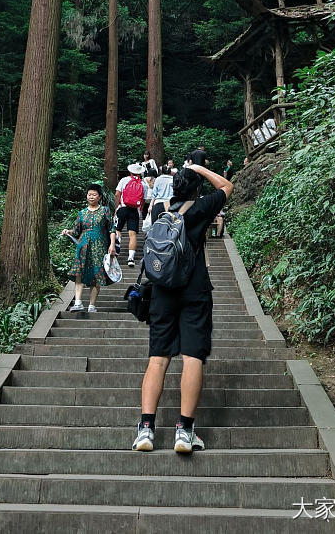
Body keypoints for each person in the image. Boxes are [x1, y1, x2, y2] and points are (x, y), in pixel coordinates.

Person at [132, 162, 234, 454]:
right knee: (192, 358)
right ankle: (184, 432)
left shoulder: (158, 209)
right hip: (195, 289)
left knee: (158, 359)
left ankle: (146, 430)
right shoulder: (201, 208)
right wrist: (200, 170)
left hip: (162, 289)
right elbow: (227, 187)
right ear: (197, 188)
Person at [61, 185, 112, 313]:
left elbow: (112, 228)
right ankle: (78, 302)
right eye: (89, 194)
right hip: (83, 246)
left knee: (96, 274)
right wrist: (68, 231)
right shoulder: (82, 213)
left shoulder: (105, 211)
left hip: (99, 246)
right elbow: (77, 230)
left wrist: (112, 245)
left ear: (99, 197)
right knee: (79, 273)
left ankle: (92, 305)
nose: (91, 196)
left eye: (94, 194)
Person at [114, 163, 146, 266]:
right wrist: (139, 209)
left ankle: (116, 253)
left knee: (118, 230)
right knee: (132, 235)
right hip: (134, 211)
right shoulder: (143, 183)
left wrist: (115, 208)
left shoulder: (124, 180)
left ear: (130, 171)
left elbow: (117, 194)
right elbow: (143, 200)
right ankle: (131, 258)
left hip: (123, 208)